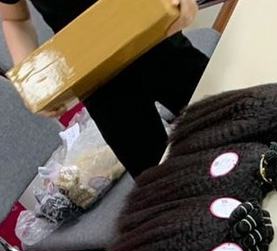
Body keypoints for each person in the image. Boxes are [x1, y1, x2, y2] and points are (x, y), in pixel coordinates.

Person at [1, 0, 208, 176]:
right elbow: (15, 19)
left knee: (218, 116)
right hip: (97, 81)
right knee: (158, 176)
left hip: (156, 40)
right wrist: (33, 84)